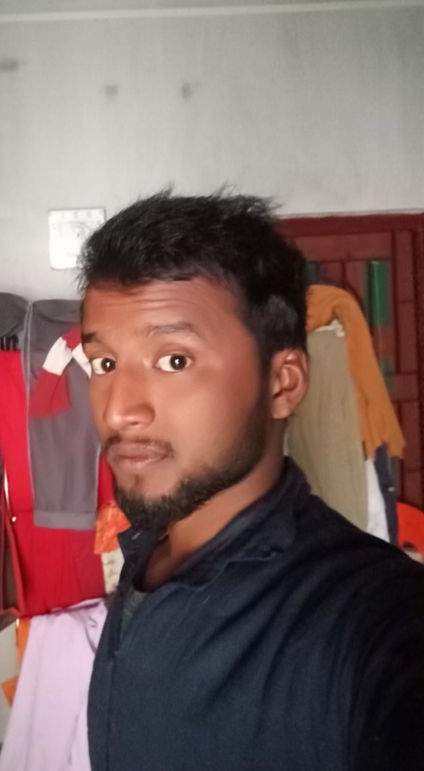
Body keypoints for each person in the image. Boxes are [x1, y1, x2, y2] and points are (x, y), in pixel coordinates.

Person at [78, 191, 424, 771]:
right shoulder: (147, 547)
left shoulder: (371, 618)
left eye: (174, 360)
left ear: (282, 383)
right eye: (105, 364)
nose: (118, 411)